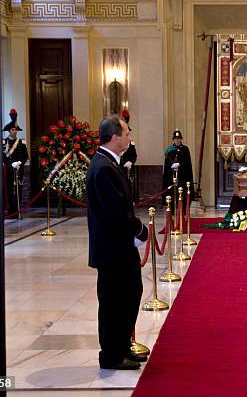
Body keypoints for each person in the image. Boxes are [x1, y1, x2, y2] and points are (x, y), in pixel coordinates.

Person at [86, 115, 149, 370]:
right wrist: (140, 229)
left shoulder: (109, 164)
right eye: (126, 134)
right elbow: (115, 213)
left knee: (129, 295)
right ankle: (112, 355)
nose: (130, 138)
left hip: (120, 248)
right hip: (113, 250)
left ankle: (122, 346)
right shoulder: (102, 168)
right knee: (114, 302)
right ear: (114, 138)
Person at [2, 108, 28, 214]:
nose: (14, 131)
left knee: (19, 188)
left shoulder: (22, 142)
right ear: (9, 131)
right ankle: (11, 208)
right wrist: (11, 164)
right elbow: (3, 157)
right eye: (12, 130)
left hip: (19, 169)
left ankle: (18, 208)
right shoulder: (4, 142)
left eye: (15, 130)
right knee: (9, 189)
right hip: (9, 169)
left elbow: (26, 156)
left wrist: (20, 163)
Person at [162, 129, 194, 211]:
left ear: (181, 139)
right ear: (173, 139)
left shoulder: (185, 149)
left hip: (182, 177)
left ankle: (182, 211)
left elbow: (188, 163)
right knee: (172, 195)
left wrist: (180, 164)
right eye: (175, 138)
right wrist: (171, 166)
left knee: (182, 195)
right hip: (172, 177)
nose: (177, 140)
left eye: (179, 138)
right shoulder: (169, 150)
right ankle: (172, 210)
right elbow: (167, 164)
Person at [119, 109, 137, 180]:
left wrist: (130, 162)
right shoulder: (117, 141)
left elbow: (134, 155)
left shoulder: (131, 142)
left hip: (127, 170)